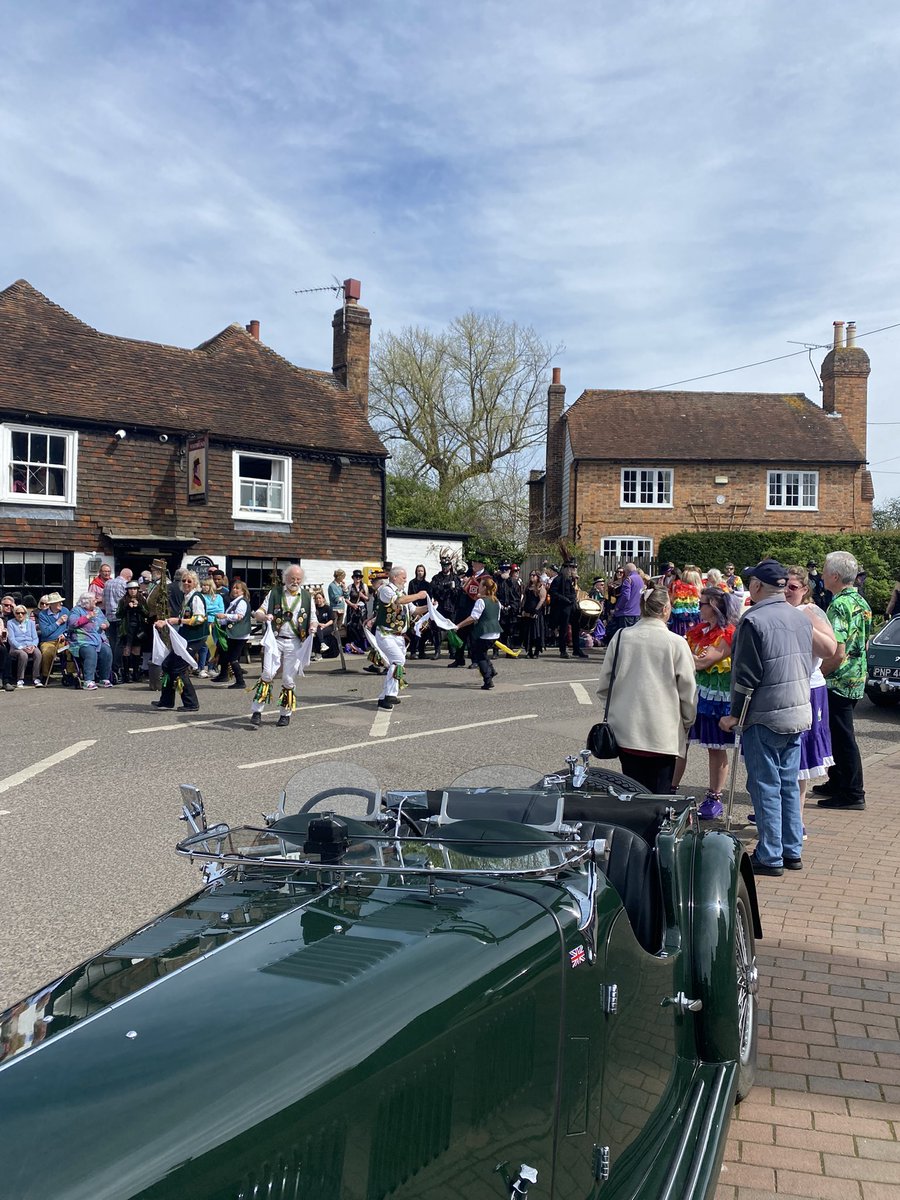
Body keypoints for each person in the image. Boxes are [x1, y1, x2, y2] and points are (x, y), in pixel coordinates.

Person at [719, 559, 836, 877]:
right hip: (798, 709)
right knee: (787, 783)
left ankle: (770, 854)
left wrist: (734, 716)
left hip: (766, 714)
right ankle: (791, 848)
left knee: (766, 785)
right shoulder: (801, 619)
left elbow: (745, 677)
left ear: (757, 587)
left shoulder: (753, 620)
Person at [596, 586, 697, 794]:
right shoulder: (676, 643)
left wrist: (617, 708)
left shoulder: (622, 637)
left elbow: (605, 685)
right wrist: (687, 721)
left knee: (631, 792)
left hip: (627, 730)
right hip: (663, 732)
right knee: (659, 795)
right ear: (666, 609)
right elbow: (688, 691)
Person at [813, 551, 872, 811]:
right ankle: (837, 781)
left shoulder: (838, 605)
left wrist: (818, 673)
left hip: (839, 681)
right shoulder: (860, 601)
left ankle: (852, 792)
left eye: (825, 570)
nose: (822, 574)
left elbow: (837, 651)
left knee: (842, 736)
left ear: (835, 576)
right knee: (838, 733)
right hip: (856, 677)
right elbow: (864, 643)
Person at [678, 588, 740, 819]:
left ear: (714, 606)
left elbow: (704, 662)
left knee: (716, 748)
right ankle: (671, 790)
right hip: (699, 694)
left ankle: (715, 796)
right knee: (682, 742)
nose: (698, 607)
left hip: (718, 699)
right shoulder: (701, 630)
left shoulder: (728, 634)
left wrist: (676, 653)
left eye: (702, 603)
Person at [783, 566, 835, 809]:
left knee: (799, 763)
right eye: (783, 585)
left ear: (804, 590)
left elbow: (830, 649)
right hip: (783, 689)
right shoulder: (778, 609)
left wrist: (802, 623)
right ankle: (779, 815)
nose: (786, 591)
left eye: (792, 587)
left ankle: (796, 822)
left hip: (808, 689)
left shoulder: (809, 611)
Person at [250, 565, 317, 728]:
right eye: (292, 578)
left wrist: (313, 627)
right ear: (285, 578)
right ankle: (256, 711)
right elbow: (258, 612)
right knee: (267, 673)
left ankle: (285, 714)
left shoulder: (307, 597)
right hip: (275, 639)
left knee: (288, 678)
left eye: (298, 579)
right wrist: (264, 616)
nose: (295, 582)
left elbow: (313, 618)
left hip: (295, 642)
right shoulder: (275, 593)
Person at [372, 567, 428, 709]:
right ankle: (391, 694)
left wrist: (429, 607)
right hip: (385, 634)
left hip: (399, 636)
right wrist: (419, 595)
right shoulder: (386, 590)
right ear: (395, 577)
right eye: (403, 577)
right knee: (398, 660)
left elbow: (414, 610)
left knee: (396, 664)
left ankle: (384, 697)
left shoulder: (402, 592)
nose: (405, 580)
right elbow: (399, 601)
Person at [152, 570, 206, 712]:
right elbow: (180, 619)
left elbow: (200, 619)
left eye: (189, 581)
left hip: (195, 638)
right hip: (185, 637)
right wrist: (165, 622)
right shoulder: (186, 597)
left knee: (178, 668)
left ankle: (191, 703)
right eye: (184, 581)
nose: (186, 583)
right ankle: (166, 701)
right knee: (167, 665)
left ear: (195, 583)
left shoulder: (196, 597)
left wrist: (180, 620)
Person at [455, 575, 502, 689]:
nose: (478, 587)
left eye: (480, 585)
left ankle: (488, 680)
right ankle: (491, 670)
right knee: (483, 652)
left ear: (485, 588)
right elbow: (498, 617)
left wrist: (459, 625)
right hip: (495, 632)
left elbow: (473, 617)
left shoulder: (481, 601)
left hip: (485, 633)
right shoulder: (496, 601)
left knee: (478, 655)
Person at [67, 593, 114, 689]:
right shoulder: (76, 610)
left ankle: (104, 678)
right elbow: (72, 624)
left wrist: (105, 625)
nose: (96, 602)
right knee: (90, 653)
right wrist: (87, 617)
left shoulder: (97, 610)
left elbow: (105, 621)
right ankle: (88, 680)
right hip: (82, 641)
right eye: (93, 600)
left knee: (107, 651)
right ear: (86, 602)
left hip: (99, 640)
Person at [212, 580, 252, 688]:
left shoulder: (242, 602)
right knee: (225, 653)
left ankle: (240, 681)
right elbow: (230, 618)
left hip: (239, 635)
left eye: (237, 588)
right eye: (233, 588)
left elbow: (239, 616)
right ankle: (224, 675)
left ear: (243, 591)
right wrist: (219, 621)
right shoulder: (234, 602)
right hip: (233, 634)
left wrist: (224, 616)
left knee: (233, 658)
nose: (234, 590)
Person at [549, 562, 588, 659]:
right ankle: (563, 650)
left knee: (576, 628)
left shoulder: (572, 580)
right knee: (564, 629)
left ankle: (576, 649)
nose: (573, 569)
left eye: (574, 567)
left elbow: (575, 592)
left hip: (573, 606)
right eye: (571, 567)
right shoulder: (558, 579)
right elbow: (553, 592)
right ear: (566, 568)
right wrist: (564, 599)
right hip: (564, 607)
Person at [116, 580, 150, 682]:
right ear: (127, 590)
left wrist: (139, 606)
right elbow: (118, 614)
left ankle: (136, 674)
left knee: (136, 650)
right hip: (127, 628)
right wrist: (126, 607)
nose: (133, 591)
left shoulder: (142, 599)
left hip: (138, 628)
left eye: (135, 589)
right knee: (126, 650)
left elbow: (147, 613)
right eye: (131, 589)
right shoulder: (123, 600)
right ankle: (126, 674)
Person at [102, 566, 132, 677]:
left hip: (109, 617)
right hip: (120, 617)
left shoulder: (108, 583)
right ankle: (116, 668)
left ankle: (108, 667)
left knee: (111, 643)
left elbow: (104, 601)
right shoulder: (124, 585)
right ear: (128, 577)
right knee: (119, 644)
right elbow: (125, 602)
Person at [430, 558, 461, 661]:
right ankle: (437, 651)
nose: (445, 567)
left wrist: (452, 589)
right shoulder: (436, 578)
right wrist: (445, 587)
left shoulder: (455, 578)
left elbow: (458, 592)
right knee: (436, 629)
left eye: (447, 565)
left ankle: (452, 651)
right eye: (443, 565)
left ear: (450, 566)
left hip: (451, 607)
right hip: (440, 607)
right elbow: (433, 589)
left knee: (451, 629)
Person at [36, 592, 70, 683]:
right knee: (47, 652)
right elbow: (45, 632)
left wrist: (65, 634)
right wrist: (58, 622)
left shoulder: (65, 611)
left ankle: (70, 674)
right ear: (51, 604)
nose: (61, 604)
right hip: (48, 641)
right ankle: (45, 675)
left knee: (70, 650)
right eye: (58, 602)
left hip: (63, 640)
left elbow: (70, 626)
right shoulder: (43, 615)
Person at [605, 562, 641, 643]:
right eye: (618, 572)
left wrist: (618, 607)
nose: (620, 574)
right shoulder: (640, 580)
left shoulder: (628, 580)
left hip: (626, 613)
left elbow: (625, 597)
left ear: (626, 571)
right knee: (633, 638)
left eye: (622, 572)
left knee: (625, 638)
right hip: (636, 613)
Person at [7, 603, 42, 687]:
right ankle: (20, 679)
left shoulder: (30, 622)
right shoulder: (10, 623)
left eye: (22, 613)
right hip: (16, 647)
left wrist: (33, 646)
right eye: (18, 613)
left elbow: (35, 637)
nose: (20, 615)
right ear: (14, 614)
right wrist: (22, 647)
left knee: (38, 653)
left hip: (30, 645)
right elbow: (11, 639)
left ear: (26, 614)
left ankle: (36, 678)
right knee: (23, 655)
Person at [196, 578, 225, 676]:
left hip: (215, 623)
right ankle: (201, 668)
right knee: (204, 646)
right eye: (202, 585)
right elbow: (203, 610)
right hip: (205, 623)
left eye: (206, 585)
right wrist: (213, 610)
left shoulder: (218, 597)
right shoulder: (200, 597)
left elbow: (221, 610)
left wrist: (211, 611)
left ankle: (211, 667)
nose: (204, 587)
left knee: (213, 646)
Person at [406, 565, 433, 659]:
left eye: (421, 571)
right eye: (418, 571)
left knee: (425, 631)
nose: (420, 572)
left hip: (425, 610)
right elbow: (410, 595)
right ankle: (413, 652)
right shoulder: (412, 583)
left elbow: (429, 597)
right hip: (415, 609)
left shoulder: (427, 584)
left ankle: (422, 651)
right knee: (414, 631)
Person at [520, 571, 547, 658]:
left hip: (536, 612)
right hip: (527, 612)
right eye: (530, 575)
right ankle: (529, 651)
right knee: (528, 633)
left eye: (533, 575)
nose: (531, 576)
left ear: (538, 577)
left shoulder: (540, 587)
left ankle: (536, 652)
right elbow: (524, 598)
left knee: (537, 632)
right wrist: (522, 608)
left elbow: (542, 599)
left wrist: (536, 610)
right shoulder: (528, 586)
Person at [669, 565, 702, 636]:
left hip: (678, 624)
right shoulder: (699, 592)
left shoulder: (677, 590)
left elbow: (672, 604)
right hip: (694, 623)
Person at [344, 570, 369, 654]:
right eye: (356, 577)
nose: (358, 579)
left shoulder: (364, 586)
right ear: (353, 578)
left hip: (362, 609)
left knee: (361, 626)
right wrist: (352, 605)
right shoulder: (350, 587)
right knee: (352, 626)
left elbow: (368, 599)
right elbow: (346, 599)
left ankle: (362, 645)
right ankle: (352, 645)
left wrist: (362, 596)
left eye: (359, 577)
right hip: (352, 609)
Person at [327, 569, 349, 652]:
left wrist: (345, 589)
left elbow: (347, 596)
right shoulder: (332, 586)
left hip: (342, 609)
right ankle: (332, 645)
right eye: (342, 576)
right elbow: (335, 598)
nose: (343, 578)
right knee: (334, 627)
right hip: (335, 609)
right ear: (338, 576)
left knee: (339, 627)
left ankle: (337, 644)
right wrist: (341, 597)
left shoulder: (341, 585)